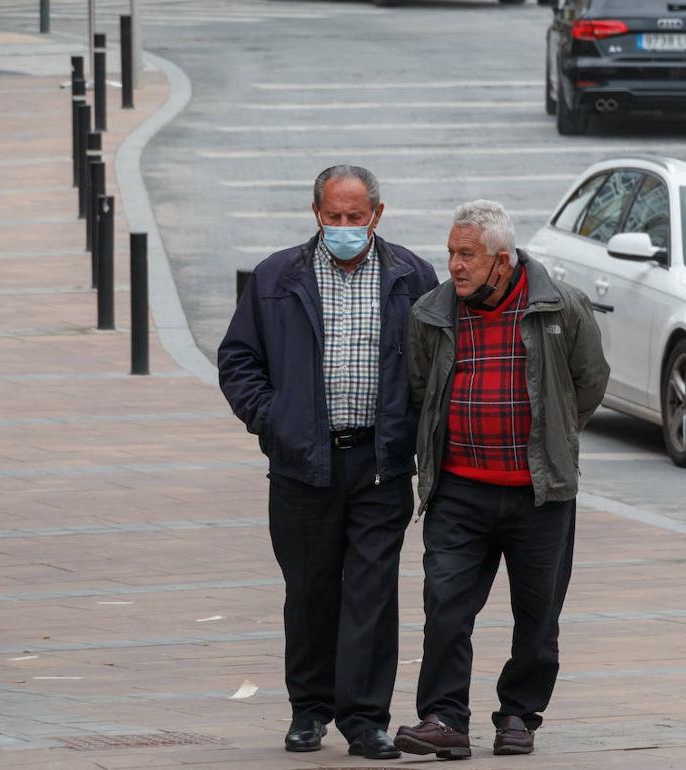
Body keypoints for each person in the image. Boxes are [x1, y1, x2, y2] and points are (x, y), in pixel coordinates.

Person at [217, 165, 438, 758]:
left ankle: (365, 719)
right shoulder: (275, 276)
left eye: (355, 217)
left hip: (379, 459)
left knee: (372, 592)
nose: (345, 226)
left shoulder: (412, 275)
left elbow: (434, 365)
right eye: (334, 216)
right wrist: (273, 419)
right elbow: (238, 359)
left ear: (377, 215)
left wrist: (414, 434)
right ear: (316, 213)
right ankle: (309, 711)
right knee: (310, 590)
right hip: (302, 463)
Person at [394, 200, 609, 759]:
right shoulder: (431, 313)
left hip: (540, 493)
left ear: (503, 260)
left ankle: (518, 715)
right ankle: (445, 718)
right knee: (444, 605)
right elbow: (422, 391)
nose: (455, 265)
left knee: (538, 614)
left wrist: (552, 438)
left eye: (468, 255)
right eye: (450, 253)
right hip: (459, 490)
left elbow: (588, 385)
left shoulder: (562, 306)